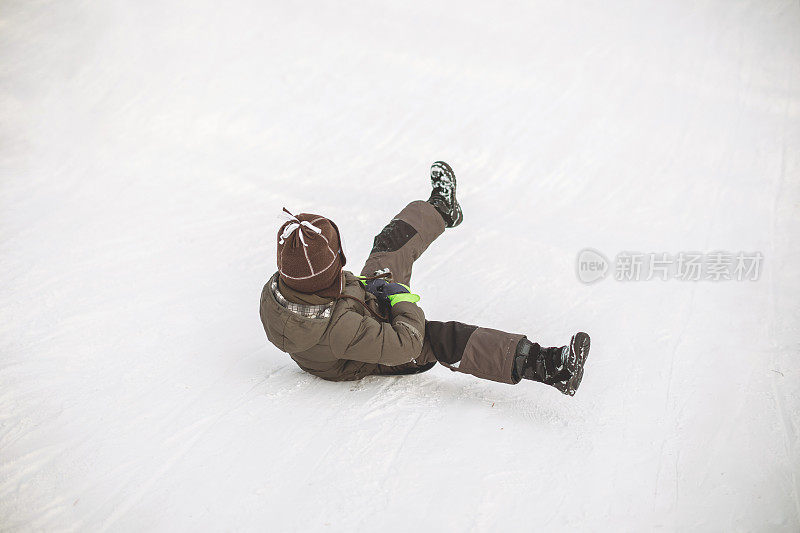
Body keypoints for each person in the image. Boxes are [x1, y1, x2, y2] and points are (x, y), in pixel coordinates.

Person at [259, 162, 590, 395]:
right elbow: (407, 344)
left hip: (354, 314)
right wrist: (399, 298)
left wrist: (367, 289)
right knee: (443, 338)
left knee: (386, 248)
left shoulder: (282, 289)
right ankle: (551, 366)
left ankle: (441, 209)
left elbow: (330, 297)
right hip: (370, 356)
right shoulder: (340, 328)